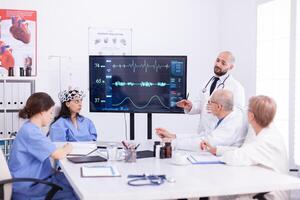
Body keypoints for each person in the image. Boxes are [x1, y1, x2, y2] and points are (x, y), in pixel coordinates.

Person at [202, 95, 288, 200]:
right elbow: (244, 151)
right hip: (260, 183)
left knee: (219, 190)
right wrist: (215, 150)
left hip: (268, 194)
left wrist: (222, 154)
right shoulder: (265, 131)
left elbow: (236, 157)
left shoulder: (265, 140)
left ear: (251, 116)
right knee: (219, 192)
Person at [8, 92, 77, 199]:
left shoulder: (30, 128)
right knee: (75, 192)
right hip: (30, 187)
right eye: (50, 113)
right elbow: (58, 154)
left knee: (73, 182)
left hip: (36, 180)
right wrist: (69, 147)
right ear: (41, 112)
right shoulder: (31, 132)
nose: (51, 117)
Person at [177, 51, 245, 135]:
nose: (218, 64)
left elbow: (238, 115)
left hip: (221, 135)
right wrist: (190, 106)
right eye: (217, 60)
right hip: (202, 133)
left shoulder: (236, 87)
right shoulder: (207, 82)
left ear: (230, 67)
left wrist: (221, 108)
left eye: (223, 63)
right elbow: (202, 104)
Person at [156, 89, 247, 151]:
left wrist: (172, 143)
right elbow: (203, 135)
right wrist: (174, 136)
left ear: (219, 107)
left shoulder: (232, 124)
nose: (207, 105)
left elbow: (205, 143)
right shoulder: (226, 114)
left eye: (210, 102)